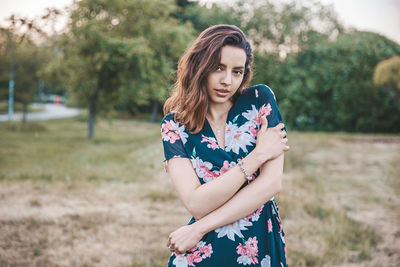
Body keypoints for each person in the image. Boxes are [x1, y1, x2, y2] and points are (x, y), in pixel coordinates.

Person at [161, 24, 290, 267]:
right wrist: (258, 156)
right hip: (203, 251)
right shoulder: (175, 125)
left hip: (258, 241)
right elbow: (197, 204)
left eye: (237, 71)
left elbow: (271, 184)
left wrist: (198, 229)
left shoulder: (260, 101)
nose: (227, 81)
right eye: (218, 68)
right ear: (199, 66)